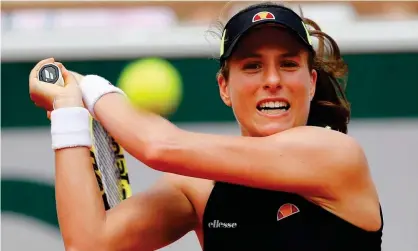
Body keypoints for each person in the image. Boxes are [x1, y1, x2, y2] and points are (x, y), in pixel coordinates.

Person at [29, 2, 383, 251]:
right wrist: (67, 110)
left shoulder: (335, 156)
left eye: (288, 64)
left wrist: (89, 88)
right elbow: (90, 243)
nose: (272, 80)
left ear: (310, 81)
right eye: (252, 66)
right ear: (224, 88)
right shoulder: (198, 190)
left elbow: (159, 147)